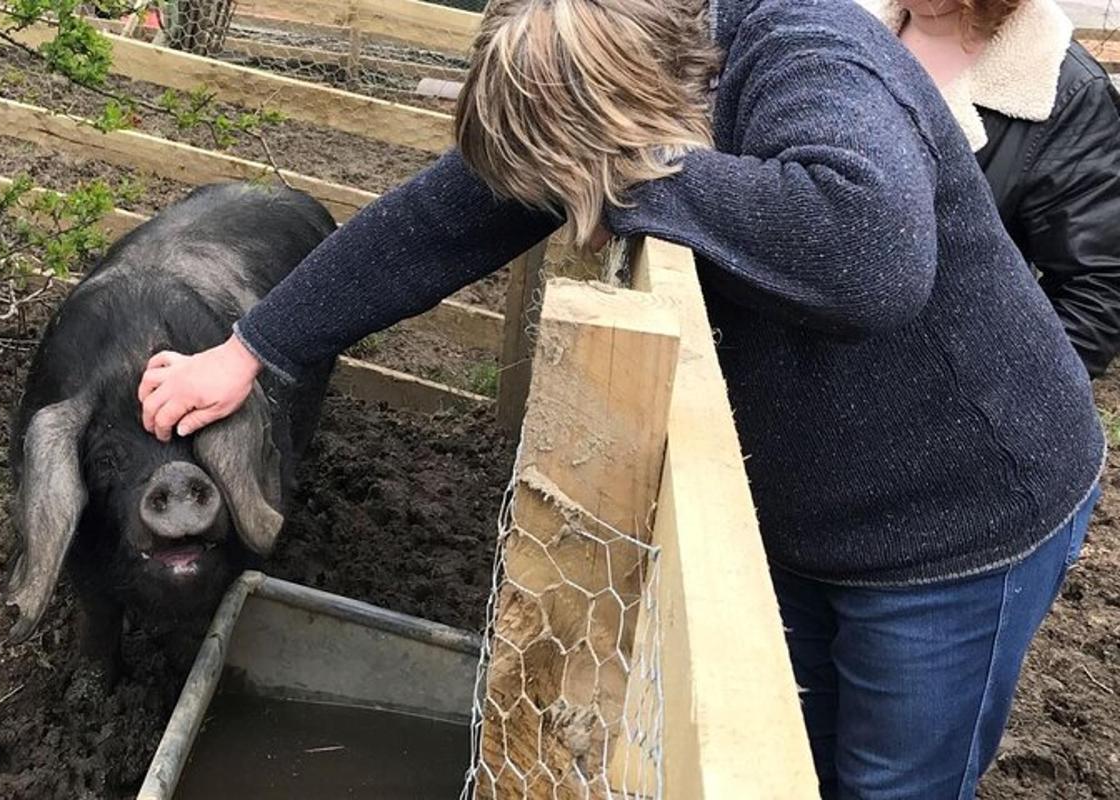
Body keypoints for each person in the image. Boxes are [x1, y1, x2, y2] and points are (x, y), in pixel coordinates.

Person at [138, 1, 1105, 796]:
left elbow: (870, 257)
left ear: (632, 115)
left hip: (967, 511)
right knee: (792, 753)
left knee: (894, 784)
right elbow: (439, 219)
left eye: (580, 165)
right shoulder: (618, 80)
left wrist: (620, 176)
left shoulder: (805, 47)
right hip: (816, 505)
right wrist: (254, 346)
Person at [861, 0, 1120, 378]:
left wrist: (996, 408)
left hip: (941, 403)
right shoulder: (841, 39)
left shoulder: (1065, 90)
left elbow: (1094, 290)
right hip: (798, 396)